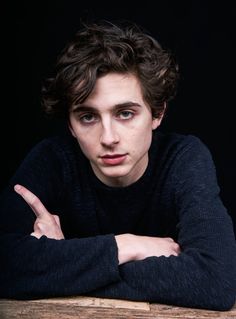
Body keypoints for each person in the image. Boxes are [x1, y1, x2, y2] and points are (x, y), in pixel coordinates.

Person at [0, 20, 236, 311]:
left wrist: (60, 262)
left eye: (125, 113)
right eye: (88, 117)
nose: (108, 138)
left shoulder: (184, 158)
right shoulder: (53, 159)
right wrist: (126, 245)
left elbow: (216, 282)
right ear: (71, 126)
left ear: (157, 113)